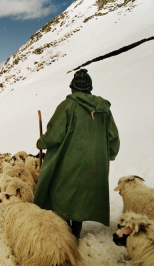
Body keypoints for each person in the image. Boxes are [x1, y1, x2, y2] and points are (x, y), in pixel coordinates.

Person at [33, 69, 120, 239]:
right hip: (95, 163)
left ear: (72, 88)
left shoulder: (68, 105)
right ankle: (76, 231)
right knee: (82, 196)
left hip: (70, 162)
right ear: (89, 88)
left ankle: (66, 235)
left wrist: (41, 143)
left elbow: (54, 135)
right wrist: (107, 154)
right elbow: (113, 137)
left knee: (63, 194)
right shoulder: (103, 109)